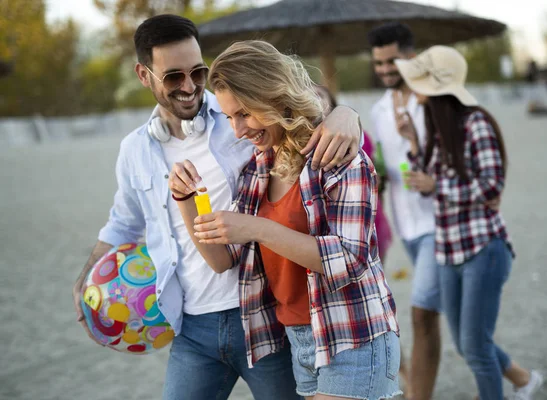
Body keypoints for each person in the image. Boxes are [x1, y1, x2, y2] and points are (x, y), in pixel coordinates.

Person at [71, 15, 363, 400]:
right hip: (192, 329)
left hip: (262, 317)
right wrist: (86, 275)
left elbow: (300, 111)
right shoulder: (134, 150)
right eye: (173, 77)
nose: (189, 87)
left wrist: (347, 115)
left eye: (198, 72)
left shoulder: (242, 118)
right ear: (144, 75)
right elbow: (123, 224)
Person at [169, 40, 401, 400]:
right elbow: (221, 261)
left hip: (353, 334)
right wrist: (184, 199)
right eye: (230, 116)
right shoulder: (256, 169)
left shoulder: (337, 155)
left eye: (244, 113)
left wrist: (258, 228)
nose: (237, 130)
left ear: (272, 95)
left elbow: (349, 260)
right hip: (299, 342)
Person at [396, 45, 544, 400]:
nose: (412, 89)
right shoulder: (438, 128)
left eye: (418, 81)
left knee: (476, 347)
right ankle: (524, 381)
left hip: (483, 248)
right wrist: (415, 146)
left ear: (435, 87)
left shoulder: (476, 122)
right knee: (468, 345)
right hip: (449, 250)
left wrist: (437, 185)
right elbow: (439, 184)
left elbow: (492, 184)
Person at [367, 22, 441, 400]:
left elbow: (454, 159)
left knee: (421, 313)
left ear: (411, 56)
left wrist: (433, 179)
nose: (384, 70)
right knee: (456, 321)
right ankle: (519, 376)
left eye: (391, 61)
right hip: (405, 225)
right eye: (379, 63)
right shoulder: (379, 110)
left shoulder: (435, 100)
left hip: (441, 223)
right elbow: (387, 164)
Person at [313, 84, 394, 263]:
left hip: (363, 216)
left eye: (319, 95)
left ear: (332, 105)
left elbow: (373, 170)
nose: (314, 99)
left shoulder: (358, 136)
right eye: (309, 95)